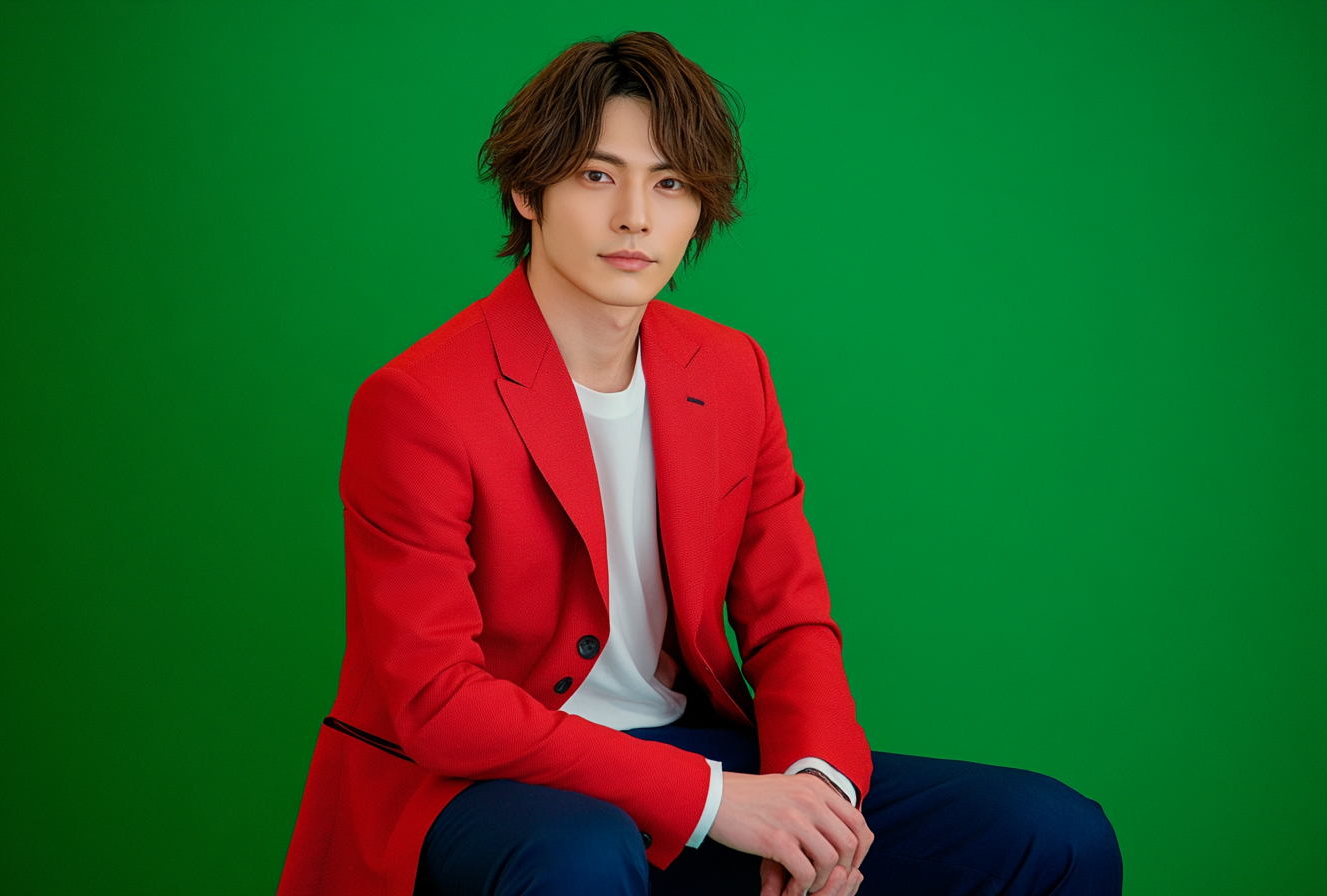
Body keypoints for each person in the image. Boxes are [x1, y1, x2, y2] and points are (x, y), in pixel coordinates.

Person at [278, 31, 1122, 896]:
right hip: (475, 785)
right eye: (598, 176)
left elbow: (789, 621)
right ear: (528, 191)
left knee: (1052, 835)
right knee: (581, 855)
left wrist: (815, 788)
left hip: (688, 745)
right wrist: (715, 800)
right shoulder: (418, 400)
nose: (636, 216)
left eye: (670, 183)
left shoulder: (729, 371)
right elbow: (439, 702)